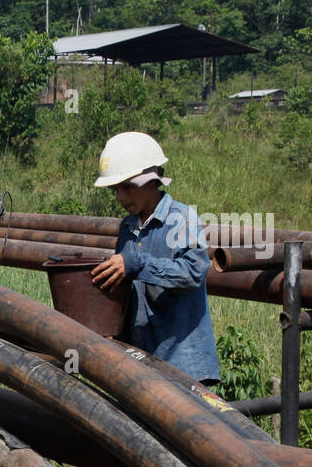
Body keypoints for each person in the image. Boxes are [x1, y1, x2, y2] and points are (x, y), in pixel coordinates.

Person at [90, 131, 220, 385]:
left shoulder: (181, 219)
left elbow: (192, 273)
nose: (120, 197)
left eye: (127, 187)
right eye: (115, 189)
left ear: (151, 181)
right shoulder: (127, 227)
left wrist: (137, 263)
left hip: (183, 363)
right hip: (142, 359)